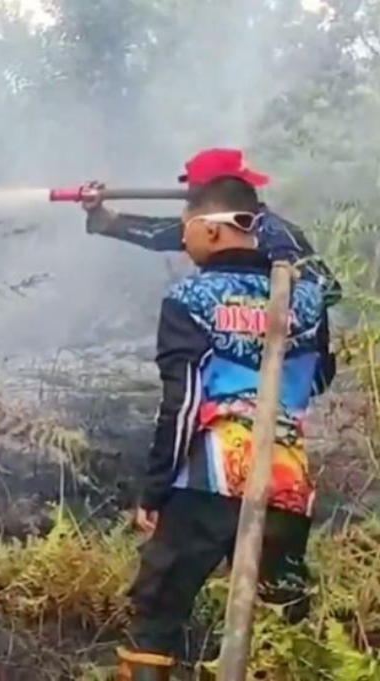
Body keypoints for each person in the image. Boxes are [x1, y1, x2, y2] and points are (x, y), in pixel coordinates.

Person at [115, 176, 336, 679]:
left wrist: (154, 490)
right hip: (285, 480)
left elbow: (185, 400)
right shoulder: (304, 297)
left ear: (211, 232)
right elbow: (320, 376)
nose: (184, 242)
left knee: (158, 611)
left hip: (207, 479)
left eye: (185, 230)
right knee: (284, 615)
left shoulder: (190, 297)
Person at [82, 148, 341, 307]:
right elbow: (156, 234)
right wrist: (102, 215)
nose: (189, 196)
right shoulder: (207, 228)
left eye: (195, 191)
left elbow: (328, 290)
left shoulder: (277, 234)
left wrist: (267, 314)